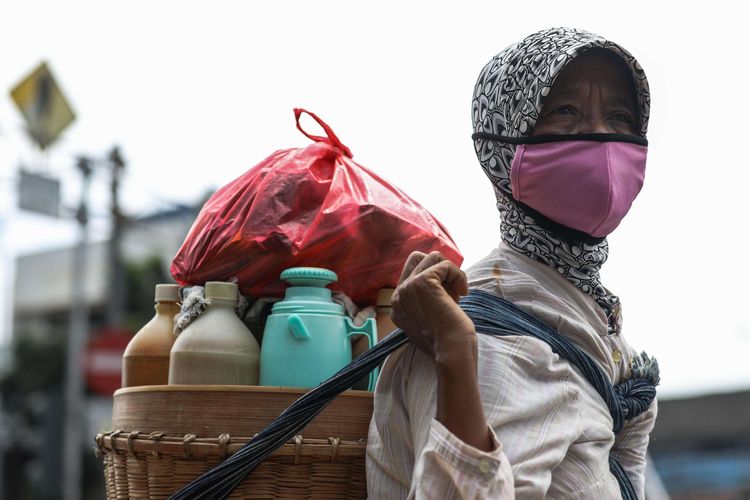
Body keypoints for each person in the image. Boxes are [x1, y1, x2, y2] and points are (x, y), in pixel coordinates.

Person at [367, 27, 658, 499]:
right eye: (565, 111)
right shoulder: (486, 334)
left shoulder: (597, 328)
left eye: (621, 116)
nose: (603, 136)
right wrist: (456, 355)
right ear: (501, 144)